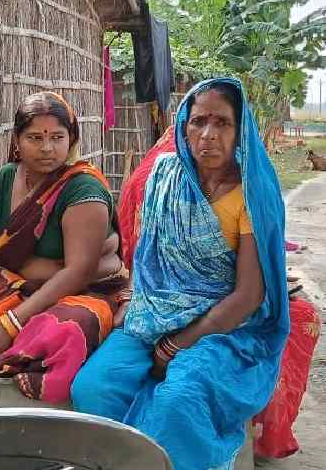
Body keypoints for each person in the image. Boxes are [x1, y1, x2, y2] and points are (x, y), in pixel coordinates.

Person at [71, 78, 289, 470]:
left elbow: (249, 295)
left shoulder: (251, 192)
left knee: (179, 401)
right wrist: (136, 308)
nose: (208, 134)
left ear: (240, 130)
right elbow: (148, 258)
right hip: (155, 313)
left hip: (227, 326)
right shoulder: (165, 177)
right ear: (183, 127)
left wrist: (178, 345)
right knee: (93, 388)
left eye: (222, 123)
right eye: (199, 121)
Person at [0, 92, 129, 403]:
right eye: (34, 137)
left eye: (57, 137)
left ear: (71, 139)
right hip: (18, 287)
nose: (46, 148)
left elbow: (79, 271)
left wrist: (11, 323)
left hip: (81, 293)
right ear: (17, 140)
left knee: (67, 329)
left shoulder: (83, 188)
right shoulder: (4, 180)